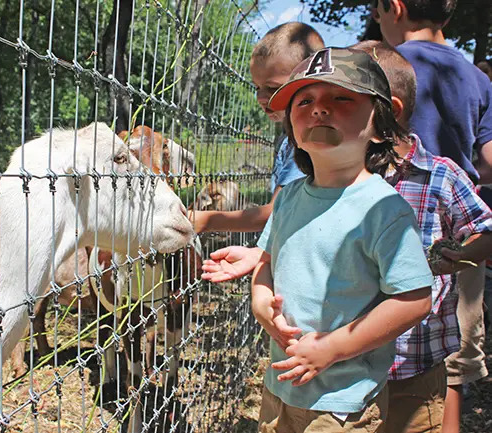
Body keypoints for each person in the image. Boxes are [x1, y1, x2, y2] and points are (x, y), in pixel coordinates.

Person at [252, 47, 433, 432]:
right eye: (304, 100)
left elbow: (414, 299)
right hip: (280, 386)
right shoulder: (288, 198)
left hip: (342, 403)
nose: (319, 109)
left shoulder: (384, 210)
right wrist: (261, 303)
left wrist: (330, 349)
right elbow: (265, 263)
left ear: (381, 126)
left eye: (341, 98)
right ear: (291, 130)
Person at [352, 40, 492, 433]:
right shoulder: (337, 178)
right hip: (349, 362)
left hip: (414, 359)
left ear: (386, 111)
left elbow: (486, 230)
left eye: (345, 101)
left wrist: (452, 258)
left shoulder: (439, 177)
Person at [190, 22, 323, 239]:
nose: (260, 98)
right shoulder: (288, 139)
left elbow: (276, 213)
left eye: (272, 88)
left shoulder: (307, 143)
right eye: (257, 87)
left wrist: (202, 219)